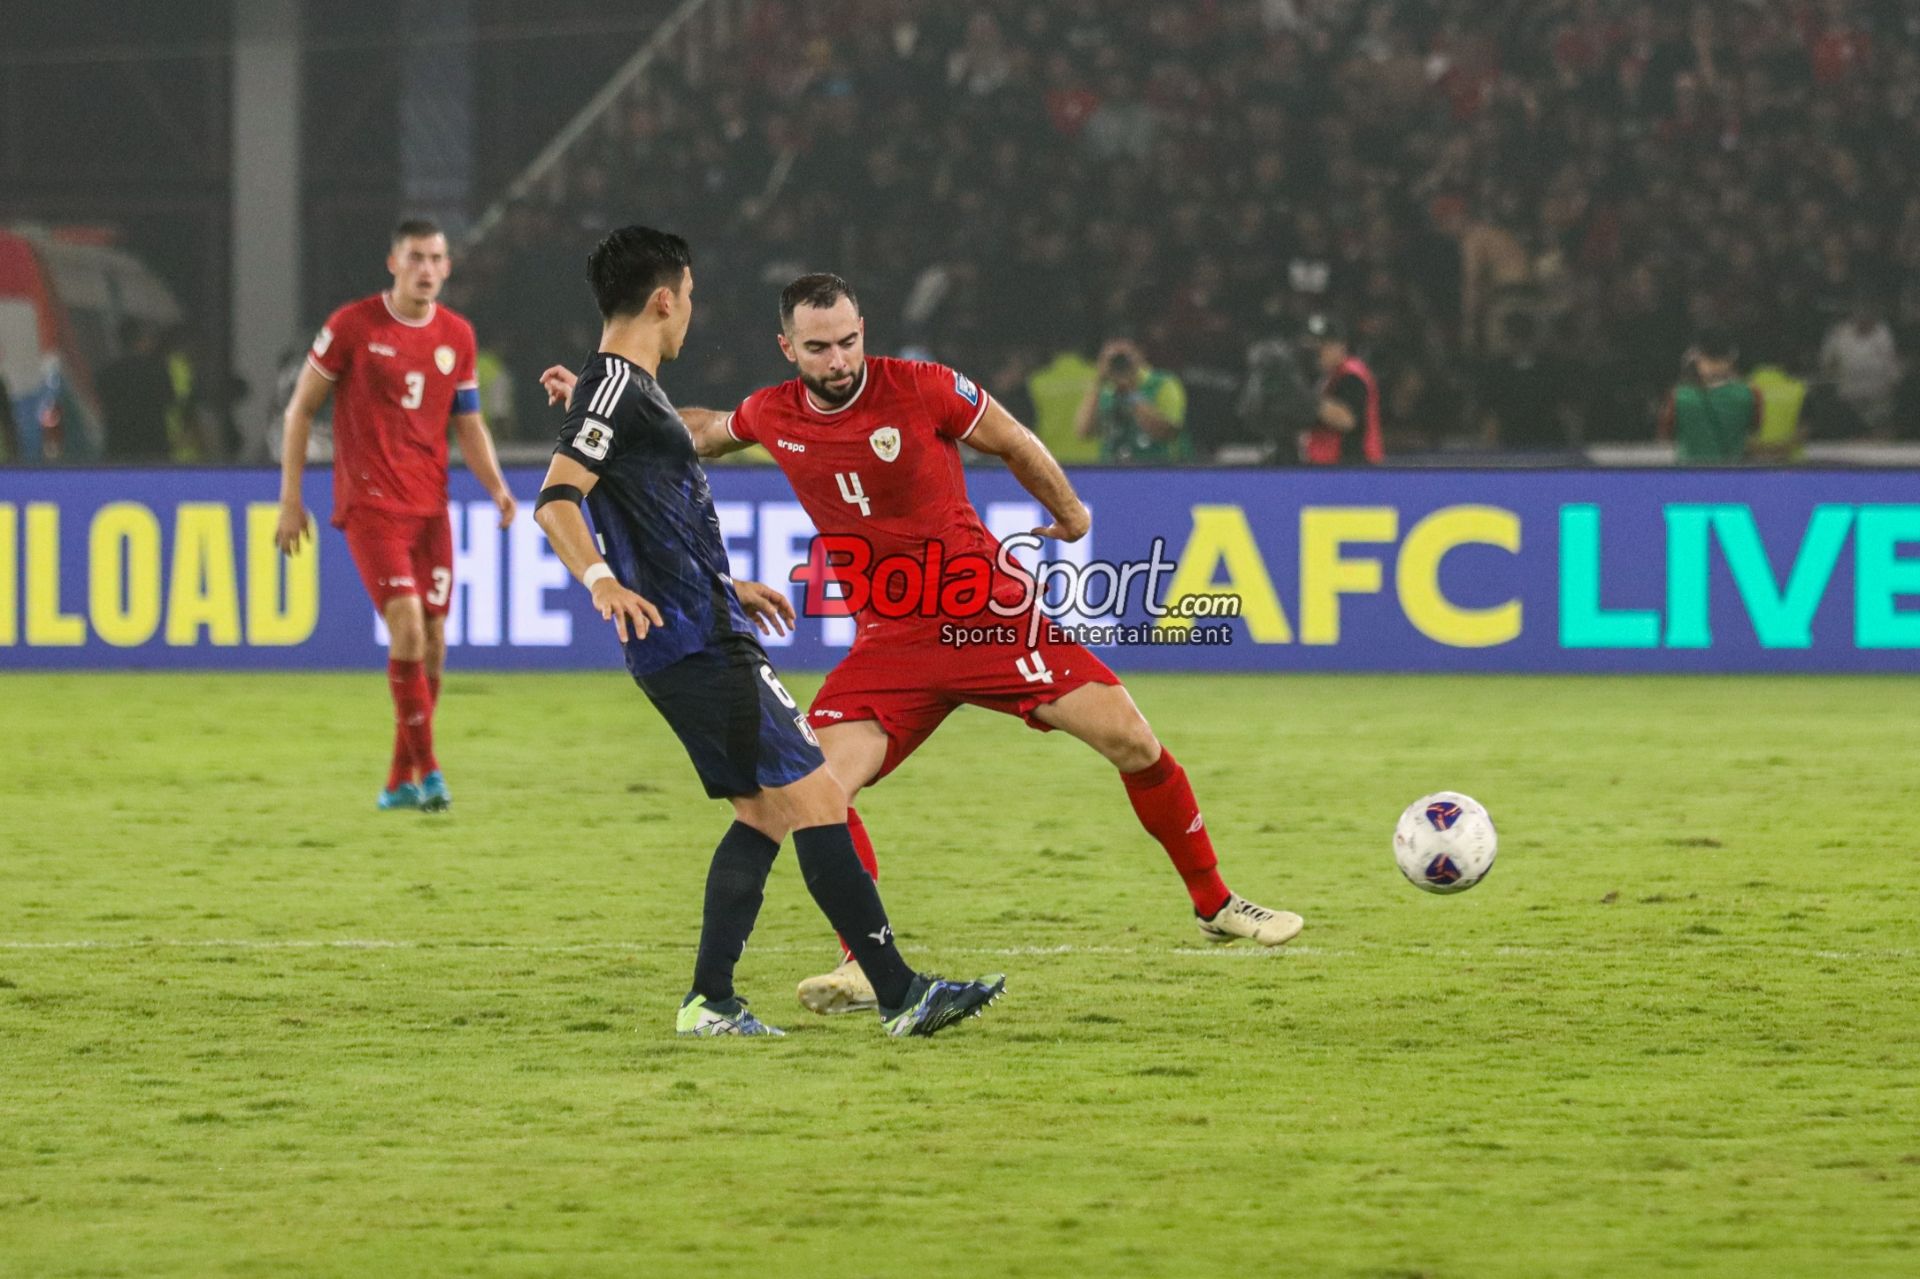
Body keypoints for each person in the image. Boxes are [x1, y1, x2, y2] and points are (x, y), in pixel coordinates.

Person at [544, 273, 1303, 1019]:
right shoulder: (774, 413)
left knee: (1131, 739)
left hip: (987, 618)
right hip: (890, 644)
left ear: (863, 331)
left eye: (847, 341)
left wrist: (1069, 512)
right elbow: (699, 430)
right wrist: (594, 415)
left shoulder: (922, 386)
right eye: (818, 348)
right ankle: (864, 964)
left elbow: (1011, 437)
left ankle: (1215, 901)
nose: (838, 360)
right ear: (787, 348)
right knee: (818, 793)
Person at [533, 227, 1005, 1038]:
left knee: (765, 813)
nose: (690, 313)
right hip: (698, 645)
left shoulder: (619, 390)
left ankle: (710, 999)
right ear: (663, 299)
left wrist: (728, 584)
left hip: (698, 627)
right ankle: (900, 992)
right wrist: (602, 580)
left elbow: (645, 495)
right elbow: (556, 499)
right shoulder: (615, 389)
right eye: (689, 296)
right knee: (819, 795)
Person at [275, 218, 517, 812]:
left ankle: (395, 782)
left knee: (434, 641)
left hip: (430, 507)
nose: (427, 269)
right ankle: (430, 774)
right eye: (416, 258)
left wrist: (497, 488)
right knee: (407, 624)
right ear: (393, 263)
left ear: (448, 267)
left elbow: (469, 424)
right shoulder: (352, 326)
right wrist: (291, 499)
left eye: (436, 258)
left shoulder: (457, 335)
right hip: (370, 506)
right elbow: (300, 411)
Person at [1073, 338, 1192, 463]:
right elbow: (1083, 431)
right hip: (1112, 471)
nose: (1119, 363)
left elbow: (1166, 432)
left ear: (1139, 355)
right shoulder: (1104, 389)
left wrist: (1131, 392)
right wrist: (1099, 381)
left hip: (1158, 469)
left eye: (1124, 357)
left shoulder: (1163, 383)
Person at [1658, 329, 1758, 463]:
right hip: (1732, 475)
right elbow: (1754, 428)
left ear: (1696, 356)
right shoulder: (1750, 394)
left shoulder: (1678, 396)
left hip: (1689, 475)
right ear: (1731, 358)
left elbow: (1665, 434)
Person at [1302, 314, 1384, 465]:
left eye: (1322, 345)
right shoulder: (1327, 376)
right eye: (1312, 345)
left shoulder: (1352, 375)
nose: (1316, 351)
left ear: (1341, 346)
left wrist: (1303, 397)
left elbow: (1347, 419)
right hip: (1332, 469)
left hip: (1354, 469)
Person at [96, 320, 174, 461]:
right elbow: (169, 401)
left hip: (118, 444)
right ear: (141, 340)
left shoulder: (108, 373)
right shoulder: (157, 371)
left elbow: (100, 406)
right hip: (153, 444)